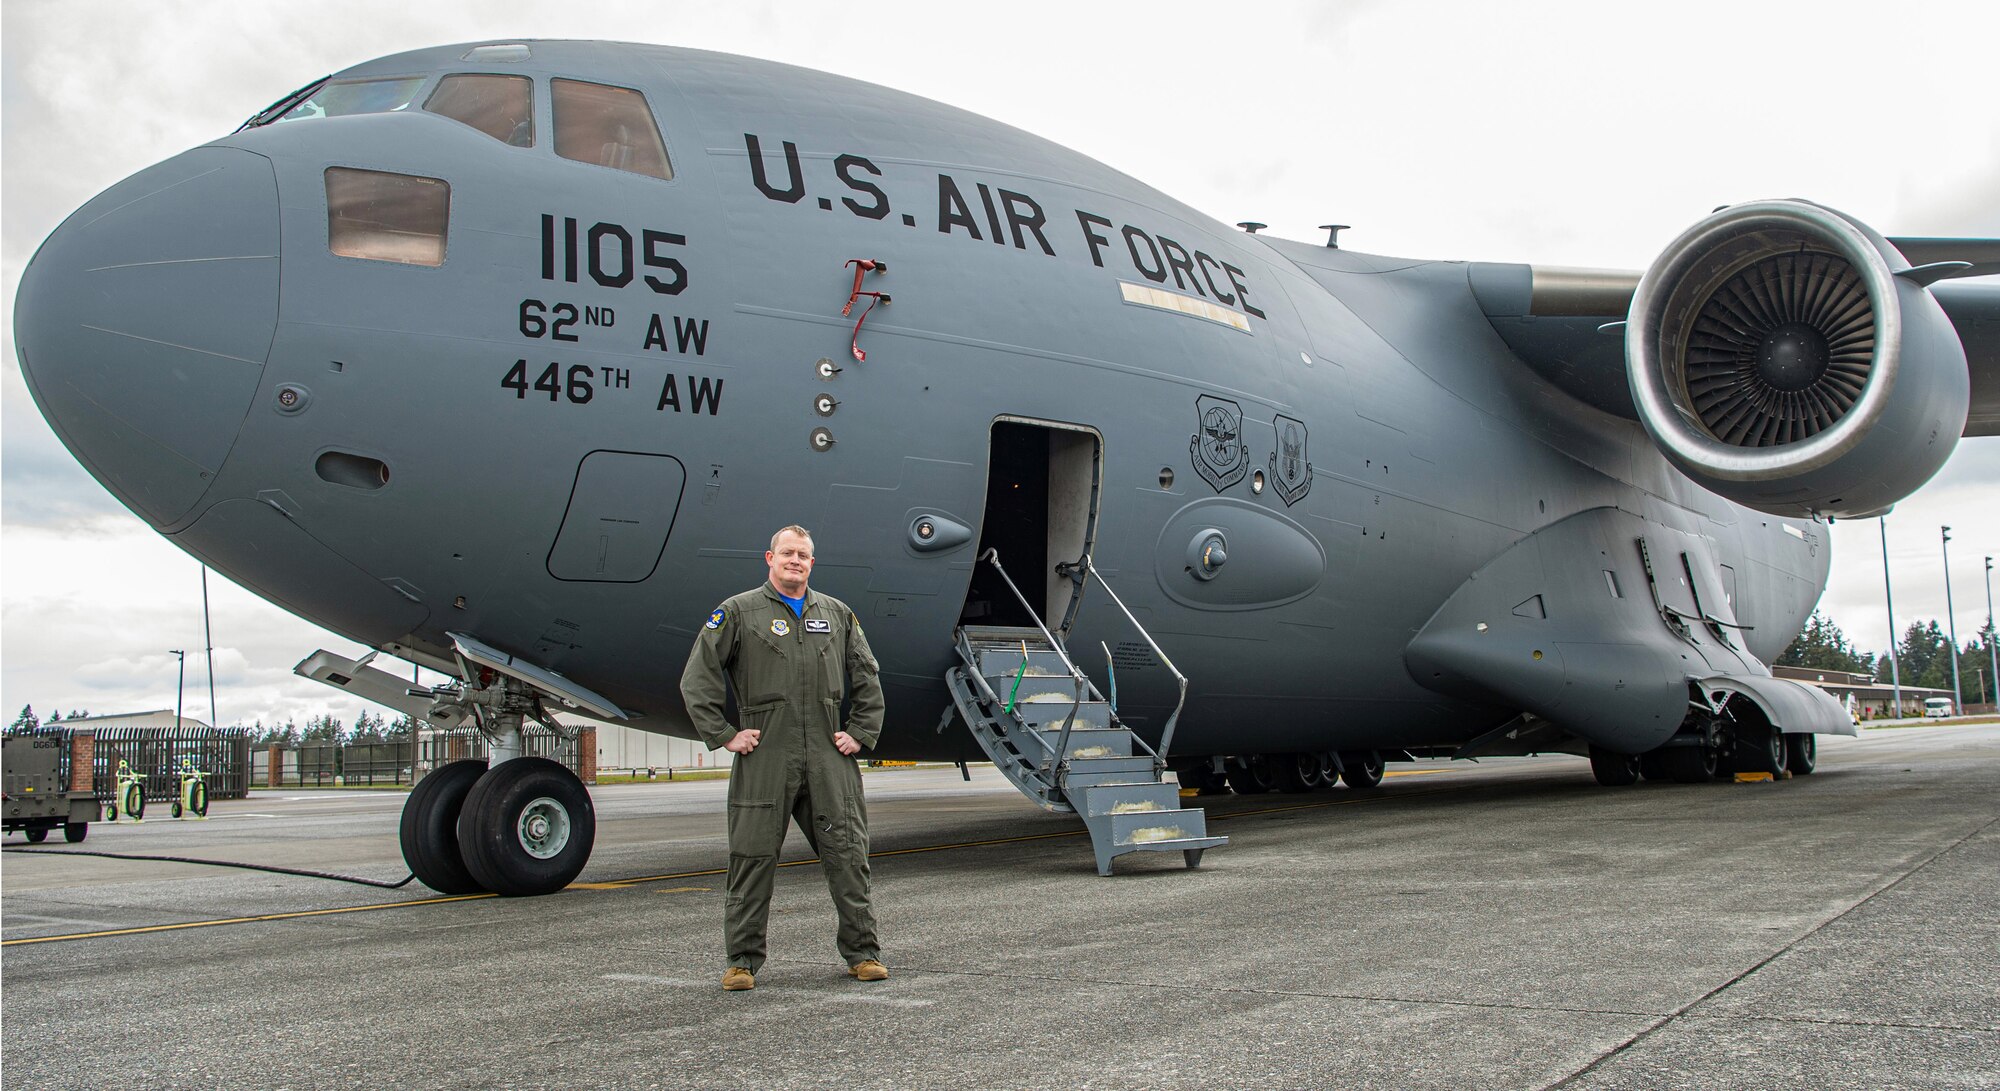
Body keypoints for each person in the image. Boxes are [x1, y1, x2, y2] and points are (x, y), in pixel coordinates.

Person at [680, 525, 887, 991]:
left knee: (849, 856)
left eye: (804, 555)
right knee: (751, 857)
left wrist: (860, 732)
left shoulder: (837, 614)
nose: (796, 560)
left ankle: (863, 953)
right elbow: (698, 677)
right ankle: (742, 962)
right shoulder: (738, 612)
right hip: (766, 753)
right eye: (788, 553)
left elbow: (867, 675)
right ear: (769, 558)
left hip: (829, 756)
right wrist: (724, 734)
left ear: (812, 563)